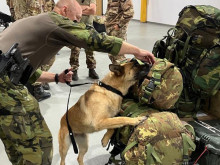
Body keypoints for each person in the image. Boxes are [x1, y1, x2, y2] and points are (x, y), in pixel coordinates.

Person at [0, 0, 155, 164]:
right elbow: (94, 40)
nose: (78, 23)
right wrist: (137, 51)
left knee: (37, 139)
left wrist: (56, 77)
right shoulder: (56, 22)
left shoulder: (42, 22)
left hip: (8, 80)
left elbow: (22, 68)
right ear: (64, 10)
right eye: (76, 18)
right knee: (31, 146)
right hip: (5, 86)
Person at [6, 0, 56, 102]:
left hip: (22, 25)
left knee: (30, 57)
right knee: (37, 57)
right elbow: (35, 11)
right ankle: (37, 89)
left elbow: (9, 4)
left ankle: (38, 80)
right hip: (32, 28)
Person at [70, 0, 99, 81]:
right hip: (76, 26)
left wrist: (79, 9)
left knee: (90, 49)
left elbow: (93, 10)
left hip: (88, 27)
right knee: (75, 49)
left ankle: (91, 69)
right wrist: (86, 9)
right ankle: (74, 70)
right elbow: (72, 11)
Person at [105, 0, 134, 64]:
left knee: (119, 56)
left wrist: (119, 25)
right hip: (110, 29)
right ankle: (116, 72)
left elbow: (130, 12)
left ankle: (121, 73)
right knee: (112, 54)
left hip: (117, 31)